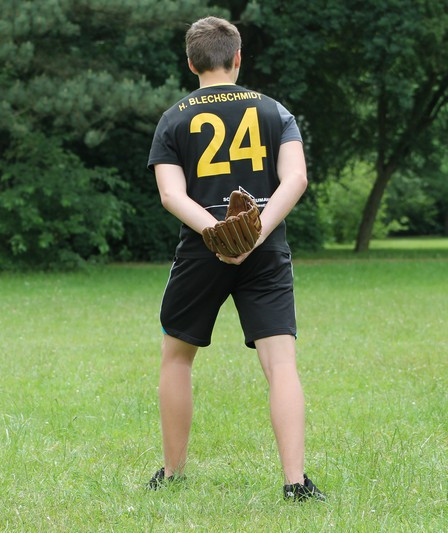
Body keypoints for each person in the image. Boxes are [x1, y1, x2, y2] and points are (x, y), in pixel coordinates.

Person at [146, 16, 325, 501]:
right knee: (280, 364)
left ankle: (173, 475)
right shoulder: (274, 110)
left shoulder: (174, 118)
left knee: (176, 358)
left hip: (200, 251)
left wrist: (218, 233)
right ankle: (295, 483)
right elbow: (296, 179)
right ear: (238, 57)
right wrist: (253, 232)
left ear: (191, 63)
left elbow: (171, 194)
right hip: (266, 249)